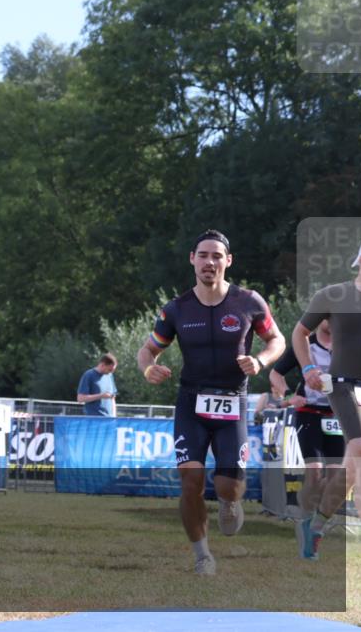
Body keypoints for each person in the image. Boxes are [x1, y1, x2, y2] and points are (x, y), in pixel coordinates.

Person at [136, 229, 284, 575]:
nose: (209, 262)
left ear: (228, 262)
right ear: (192, 259)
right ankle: (202, 555)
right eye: (203, 255)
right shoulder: (176, 309)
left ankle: (231, 502)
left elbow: (276, 339)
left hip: (233, 402)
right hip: (191, 403)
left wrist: (260, 361)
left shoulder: (249, 302)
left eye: (217, 256)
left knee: (227, 485)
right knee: (191, 482)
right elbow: (148, 350)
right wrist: (148, 370)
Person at [292, 238, 361, 560]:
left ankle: (316, 526)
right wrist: (308, 366)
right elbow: (299, 333)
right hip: (342, 384)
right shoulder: (333, 295)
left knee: (351, 468)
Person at [267, 321, 343, 529]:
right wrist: (290, 396)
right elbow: (275, 374)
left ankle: (316, 511)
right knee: (315, 471)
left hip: (336, 416)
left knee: (336, 476)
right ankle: (306, 517)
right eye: (328, 316)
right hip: (308, 413)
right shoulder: (304, 344)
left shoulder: (346, 345)